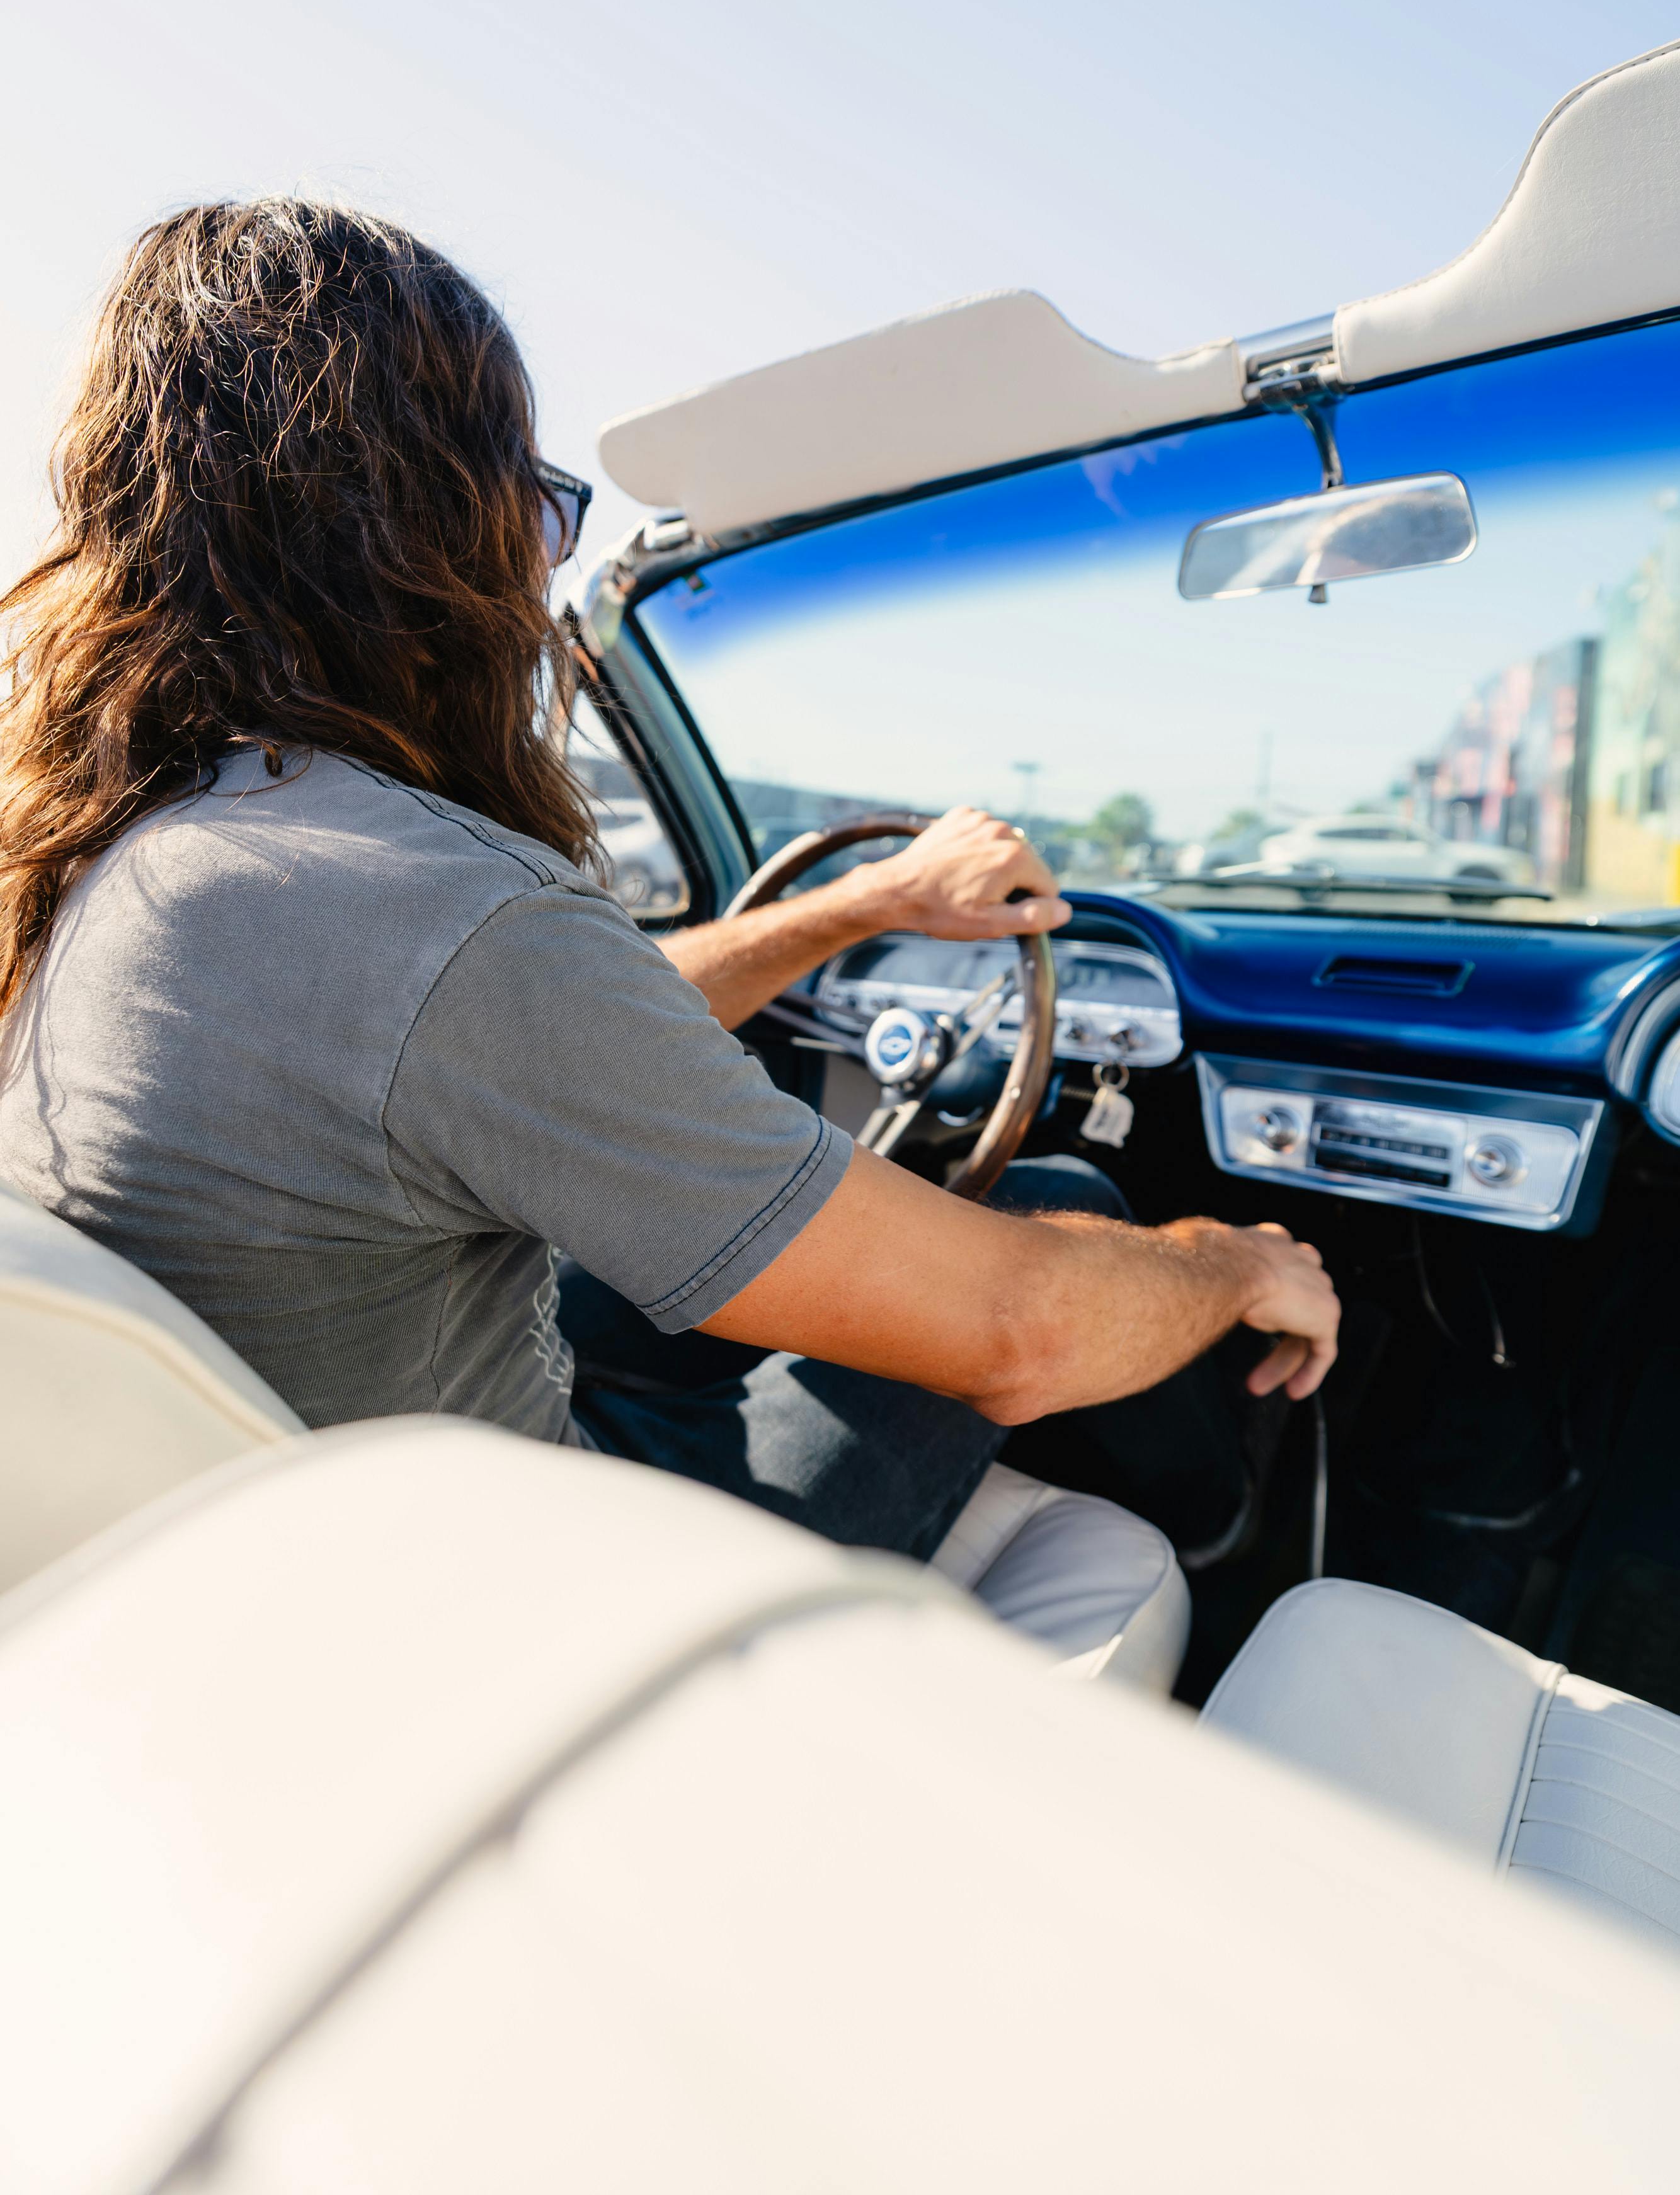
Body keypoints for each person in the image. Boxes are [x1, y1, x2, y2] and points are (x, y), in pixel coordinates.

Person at [0, 202, 1337, 1652]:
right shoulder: (441, 910)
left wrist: (868, 904)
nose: (544, 569)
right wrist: (1239, 1261)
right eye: (535, 506)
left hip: (290, 1561)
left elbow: (533, 1022)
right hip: (539, 1601)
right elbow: (1020, 1334)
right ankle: (1236, 1553)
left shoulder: (129, 845)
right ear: (436, 526)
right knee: (1050, 1201)